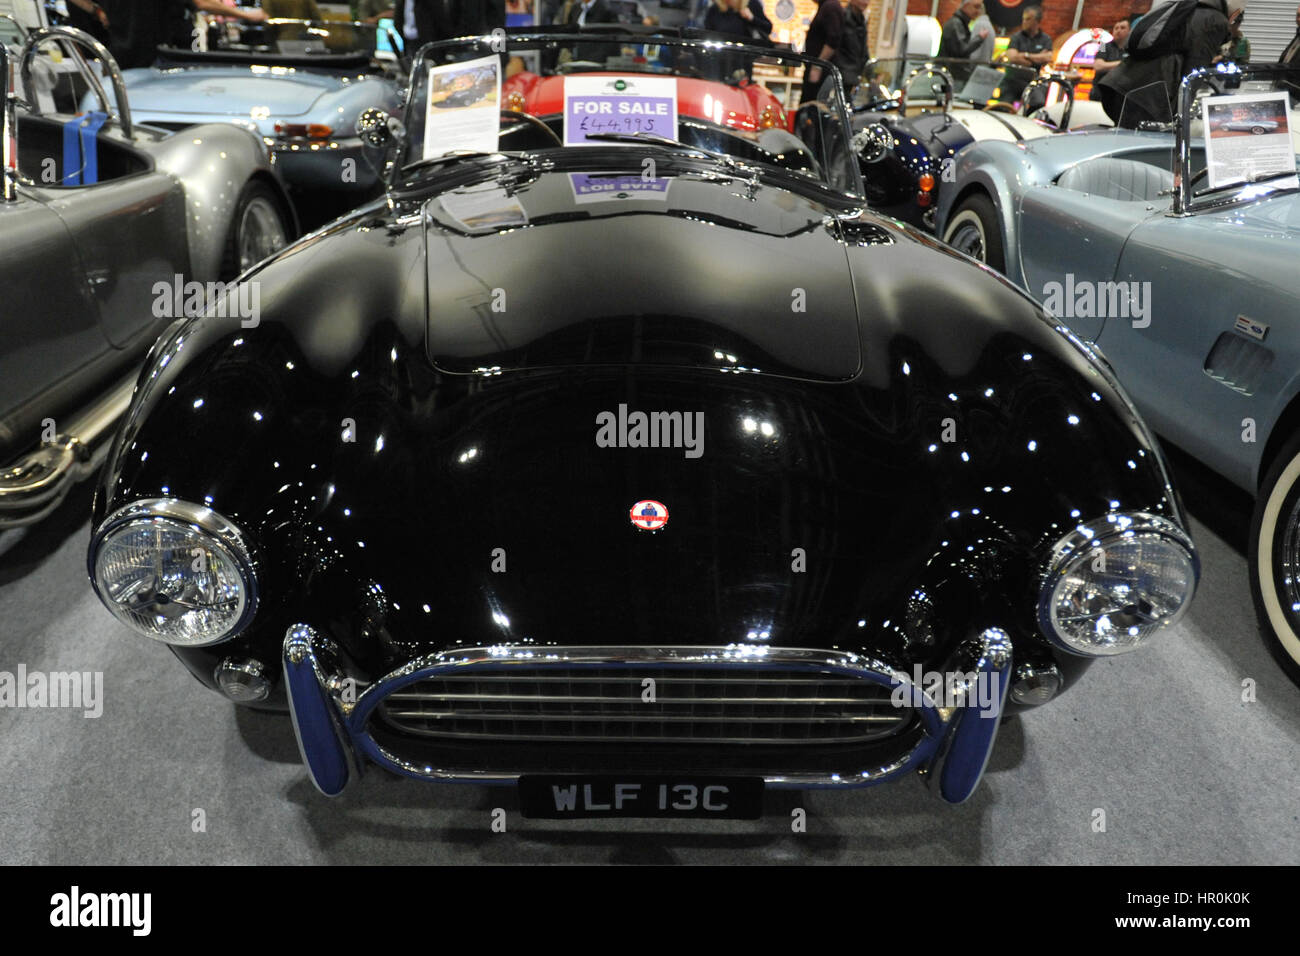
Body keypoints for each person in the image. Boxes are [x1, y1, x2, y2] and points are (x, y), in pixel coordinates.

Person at [1095, 0, 1242, 128]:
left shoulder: (1191, 9)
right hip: (1148, 97)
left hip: (1123, 86)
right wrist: (1179, 116)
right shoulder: (1214, 20)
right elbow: (1193, 73)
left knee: (1126, 143)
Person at [801, 0, 845, 102]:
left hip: (820, 69)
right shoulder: (827, 6)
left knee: (813, 106)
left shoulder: (831, 6)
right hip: (818, 66)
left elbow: (833, 40)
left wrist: (817, 66)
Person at [1090, 15, 1130, 99]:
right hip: (1099, 93)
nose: (1118, 30)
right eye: (1116, 28)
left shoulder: (1132, 50)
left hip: (1119, 95)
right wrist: (1123, 63)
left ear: (1129, 31)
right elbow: (1098, 66)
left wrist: (1108, 65)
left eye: (1122, 28)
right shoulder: (1103, 45)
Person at [834, 0, 870, 93]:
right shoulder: (843, 16)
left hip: (854, 76)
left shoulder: (861, 19)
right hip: (841, 76)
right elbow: (834, 45)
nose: (866, 3)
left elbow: (863, 49)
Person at [703, 0, 772, 42]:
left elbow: (768, 28)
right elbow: (707, 33)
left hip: (745, 56)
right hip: (720, 57)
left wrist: (752, 18)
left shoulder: (751, 4)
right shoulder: (715, 9)